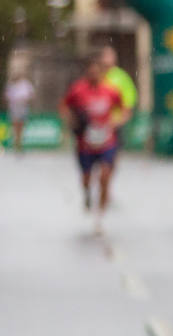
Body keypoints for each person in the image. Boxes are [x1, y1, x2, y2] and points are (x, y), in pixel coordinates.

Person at [60, 53, 127, 223]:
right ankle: (87, 193)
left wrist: (116, 122)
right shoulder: (78, 90)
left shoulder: (111, 91)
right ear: (87, 74)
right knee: (86, 178)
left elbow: (124, 109)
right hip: (85, 143)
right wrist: (72, 121)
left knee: (105, 175)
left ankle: (101, 215)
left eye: (97, 73)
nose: (94, 76)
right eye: (91, 73)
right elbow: (64, 106)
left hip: (106, 140)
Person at [5, 71, 35, 153]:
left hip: (23, 107)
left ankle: (19, 144)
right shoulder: (10, 84)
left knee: (21, 126)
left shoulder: (26, 84)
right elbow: (7, 96)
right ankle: (16, 144)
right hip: (14, 107)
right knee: (14, 125)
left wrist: (24, 100)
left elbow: (31, 94)